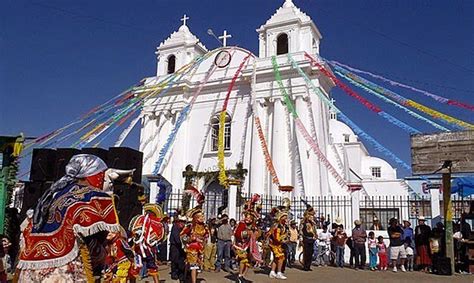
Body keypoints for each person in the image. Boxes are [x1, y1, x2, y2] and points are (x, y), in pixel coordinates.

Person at [17, 154, 121, 282]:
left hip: (30, 268)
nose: (103, 180)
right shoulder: (92, 196)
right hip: (64, 271)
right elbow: (94, 242)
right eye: (101, 174)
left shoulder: (52, 195)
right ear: (91, 174)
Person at [180, 186, 209, 283]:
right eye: (201, 217)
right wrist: (189, 240)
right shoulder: (190, 227)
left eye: (203, 216)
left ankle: (192, 279)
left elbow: (206, 236)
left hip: (200, 249)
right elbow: (182, 235)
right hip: (192, 249)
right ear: (196, 218)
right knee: (193, 267)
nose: (203, 218)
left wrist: (203, 242)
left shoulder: (205, 227)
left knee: (197, 268)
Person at [234, 194, 260, 283]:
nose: (248, 219)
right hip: (241, 245)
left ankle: (243, 276)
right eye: (247, 217)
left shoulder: (253, 225)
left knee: (249, 262)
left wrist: (256, 234)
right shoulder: (241, 224)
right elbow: (237, 234)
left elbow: (258, 233)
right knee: (243, 259)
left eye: (250, 218)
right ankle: (240, 276)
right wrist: (246, 233)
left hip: (250, 246)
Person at [268, 211, 288, 280]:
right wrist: (284, 239)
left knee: (276, 258)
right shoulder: (278, 226)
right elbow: (277, 238)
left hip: (277, 244)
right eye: (285, 218)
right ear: (281, 218)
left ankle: (272, 272)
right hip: (275, 244)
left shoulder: (282, 226)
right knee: (280, 257)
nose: (286, 219)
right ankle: (279, 272)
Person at [169, 213, 186, 282]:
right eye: (182, 222)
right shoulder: (175, 227)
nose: (183, 223)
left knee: (181, 261)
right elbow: (177, 238)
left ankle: (181, 274)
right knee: (174, 260)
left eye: (184, 222)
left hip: (181, 247)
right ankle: (174, 273)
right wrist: (182, 242)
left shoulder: (183, 228)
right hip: (175, 247)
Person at [300, 204, 316, 271]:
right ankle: (305, 266)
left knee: (310, 252)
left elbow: (314, 228)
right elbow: (301, 230)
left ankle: (308, 266)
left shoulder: (312, 223)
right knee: (306, 253)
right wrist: (301, 238)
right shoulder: (304, 221)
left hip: (311, 239)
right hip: (306, 238)